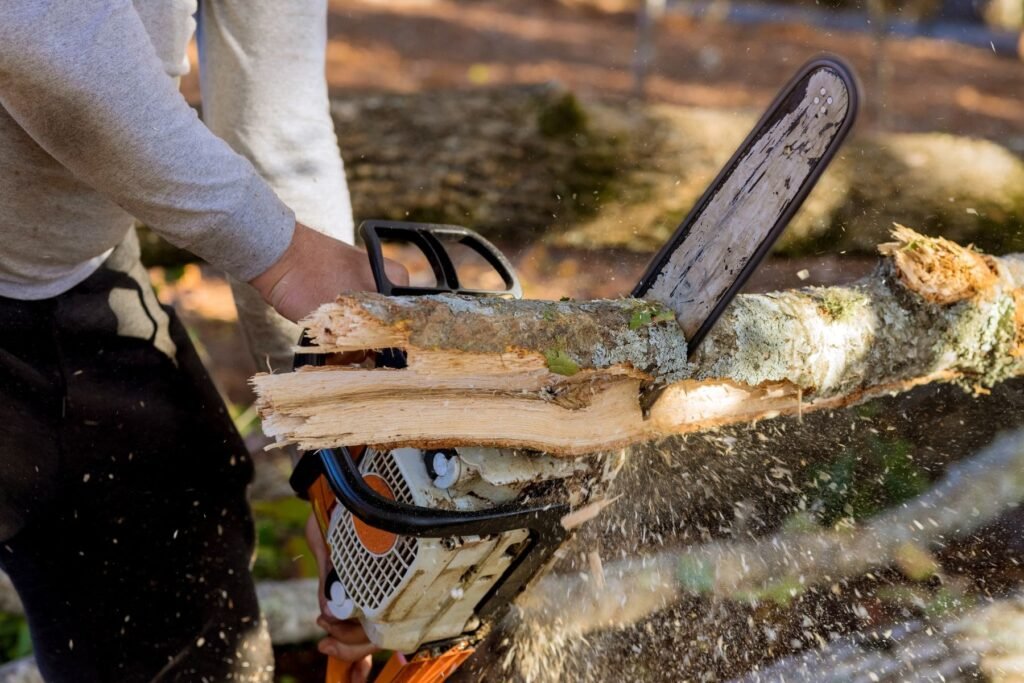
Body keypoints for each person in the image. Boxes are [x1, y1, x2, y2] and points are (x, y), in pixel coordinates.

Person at [0, 1, 405, 681]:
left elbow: (276, 134)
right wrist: (285, 255)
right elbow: (38, 32)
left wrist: (340, 459)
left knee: (192, 630)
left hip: (72, 286)